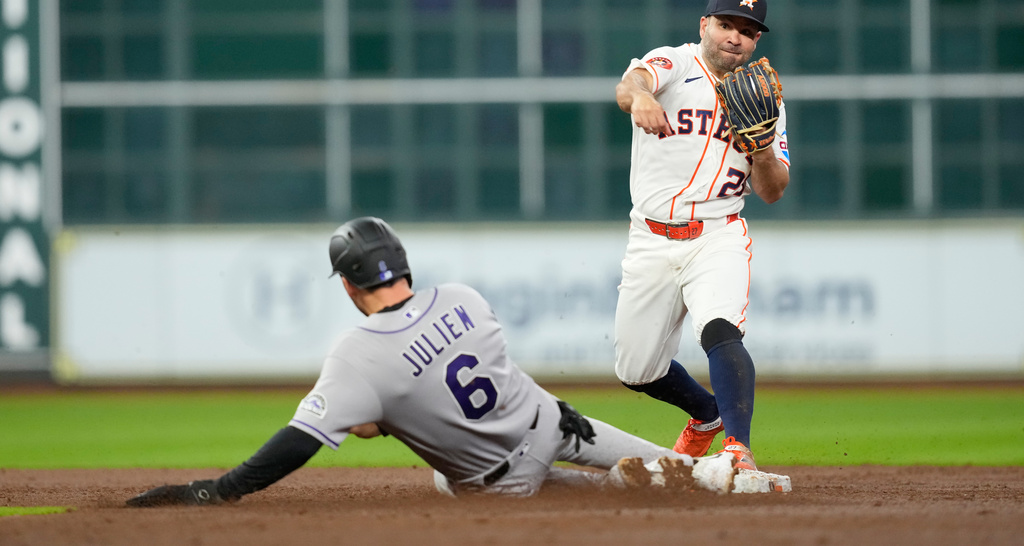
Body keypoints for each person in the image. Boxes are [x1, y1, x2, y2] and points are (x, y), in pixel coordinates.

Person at [126, 217, 736, 506]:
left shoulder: (359, 357)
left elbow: (300, 439)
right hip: (557, 421)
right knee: (683, 475)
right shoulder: (463, 298)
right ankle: (734, 478)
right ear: (405, 264)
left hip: (506, 480)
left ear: (347, 285)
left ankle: (614, 489)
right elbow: (489, 374)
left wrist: (222, 490)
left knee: (453, 480)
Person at [611, 0, 791, 471]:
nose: (736, 37)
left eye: (748, 31)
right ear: (704, 26)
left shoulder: (764, 100)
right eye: (726, 24)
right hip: (650, 237)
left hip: (717, 232)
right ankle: (706, 414)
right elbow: (630, 85)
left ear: (756, 42)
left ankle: (738, 450)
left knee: (719, 329)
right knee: (635, 369)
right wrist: (642, 98)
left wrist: (761, 145)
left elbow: (773, 190)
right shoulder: (675, 63)